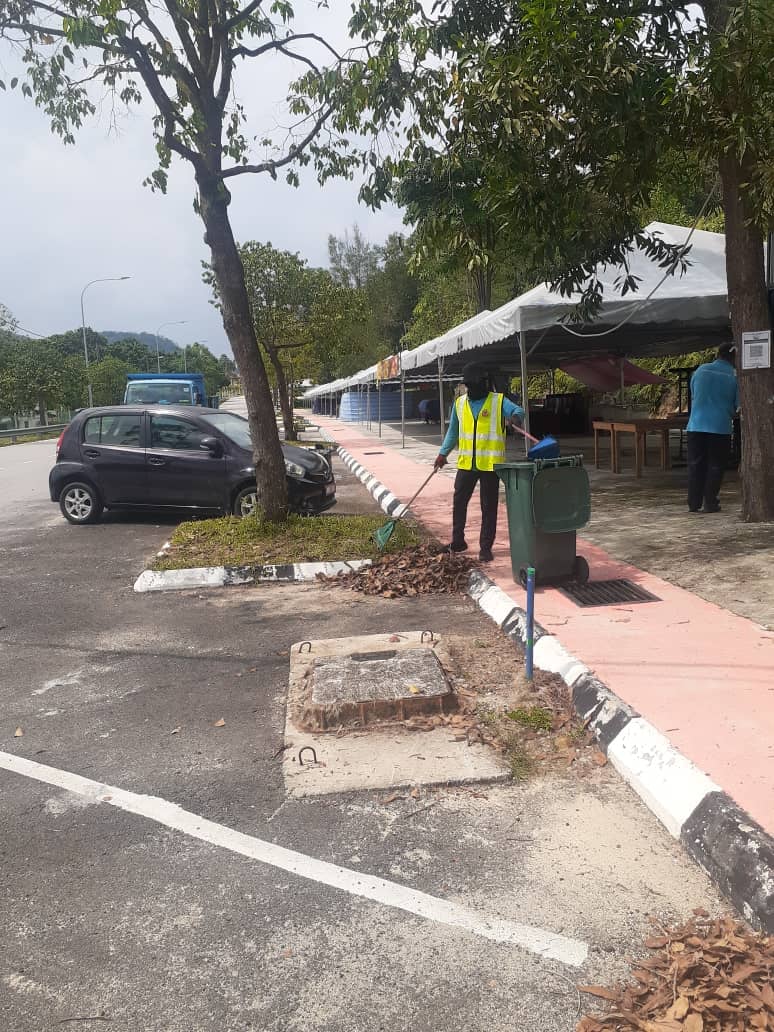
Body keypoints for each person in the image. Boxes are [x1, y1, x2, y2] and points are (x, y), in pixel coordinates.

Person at [434, 363, 524, 562]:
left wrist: (516, 418)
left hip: (490, 465)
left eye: (474, 384)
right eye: (469, 385)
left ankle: (486, 547)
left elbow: (518, 410)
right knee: (459, 503)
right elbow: (453, 433)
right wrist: (442, 454)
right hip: (466, 464)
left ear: (483, 383)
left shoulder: (498, 401)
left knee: (488, 506)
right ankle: (458, 541)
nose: (471, 389)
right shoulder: (459, 404)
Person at [686, 343, 740, 514]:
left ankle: (693, 503)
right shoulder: (734, 375)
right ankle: (710, 502)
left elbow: (694, 394)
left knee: (696, 464)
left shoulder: (700, 370)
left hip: (695, 424)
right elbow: (738, 407)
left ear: (718, 355)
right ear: (733, 358)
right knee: (715, 465)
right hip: (720, 426)